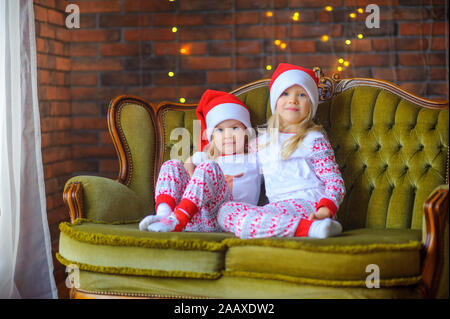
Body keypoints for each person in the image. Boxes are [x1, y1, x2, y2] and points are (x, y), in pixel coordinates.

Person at [218, 63, 345, 239]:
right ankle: (308, 228)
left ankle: (316, 226)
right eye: (285, 93)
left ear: (311, 104)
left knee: (248, 223)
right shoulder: (261, 143)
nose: (293, 100)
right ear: (275, 102)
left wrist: (325, 209)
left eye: (302, 95)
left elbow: (334, 181)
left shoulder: (313, 139)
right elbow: (243, 169)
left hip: (310, 204)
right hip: (278, 207)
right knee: (225, 211)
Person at [139, 89, 261, 232]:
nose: (228, 135)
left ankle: (178, 217)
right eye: (220, 130)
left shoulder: (255, 157)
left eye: (235, 128)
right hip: (194, 218)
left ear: (247, 133)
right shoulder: (206, 156)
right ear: (212, 137)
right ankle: (164, 215)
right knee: (171, 164)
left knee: (209, 167)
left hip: (228, 217)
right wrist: (192, 174)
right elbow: (187, 163)